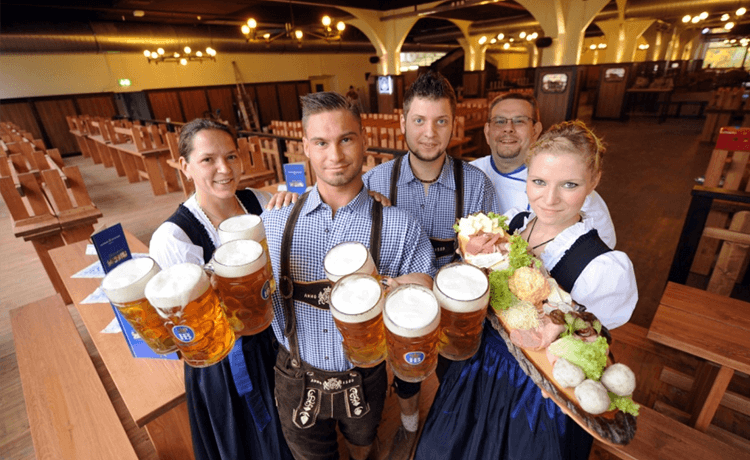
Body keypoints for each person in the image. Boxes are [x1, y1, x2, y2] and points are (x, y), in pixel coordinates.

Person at [414, 120, 637, 460]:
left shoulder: (602, 266)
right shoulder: (513, 223)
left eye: (570, 184)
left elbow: (594, 348)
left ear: (594, 181)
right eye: (538, 181)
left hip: (536, 391)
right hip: (479, 365)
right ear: (527, 176)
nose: (549, 198)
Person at [262, 91, 437, 460]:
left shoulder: (398, 225)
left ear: (364, 140)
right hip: (295, 373)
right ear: (305, 148)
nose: (335, 155)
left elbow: (426, 285)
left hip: (365, 374)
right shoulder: (274, 222)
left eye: (346, 139)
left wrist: (383, 287)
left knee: (363, 448)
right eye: (321, 143)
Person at [362, 70, 498, 460]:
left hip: (457, 302)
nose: (429, 132)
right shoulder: (373, 181)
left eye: (441, 121)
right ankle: (409, 422)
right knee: (406, 375)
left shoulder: (475, 184)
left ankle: (449, 430)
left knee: (457, 372)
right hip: (402, 298)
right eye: (419, 120)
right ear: (402, 121)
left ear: (454, 125)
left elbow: (488, 256)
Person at [149, 119, 295, 459]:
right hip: (228, 363)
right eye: (208, 160)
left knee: (292, 434)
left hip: (277, 339)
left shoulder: (261, 201)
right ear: (184, 166)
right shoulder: (174, 237)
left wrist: (292, 206)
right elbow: (183, 329)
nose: (224, 169)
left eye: (231, 157)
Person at [471, 93, 617, 249]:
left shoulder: (578, 191)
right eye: (499, 121)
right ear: (487, 131)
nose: (508, 129)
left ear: (535, 130)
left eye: (519, 121)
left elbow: (600, 251)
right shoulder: (467, 174)